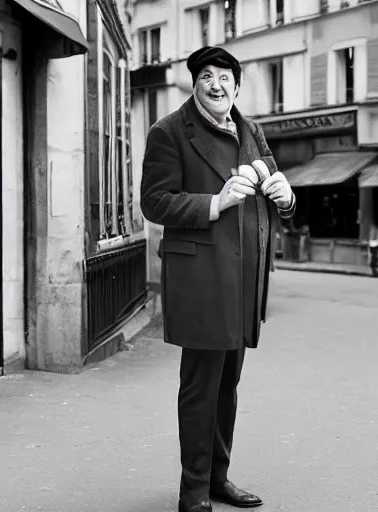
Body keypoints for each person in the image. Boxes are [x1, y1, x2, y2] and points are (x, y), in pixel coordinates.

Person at [140, 46, 296, 512]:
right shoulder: (169, 131)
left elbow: (272, 190)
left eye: (225, 76)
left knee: (227, 385)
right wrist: (215, 201)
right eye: (206, 75)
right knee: (200, 387)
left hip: (244, 278)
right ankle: (193, 492)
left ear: (236, 83)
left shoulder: (252, 130)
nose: (216, 83)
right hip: (202, 277)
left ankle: (218, 479)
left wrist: (286, 197)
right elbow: (155, 201)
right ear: (195, 83)